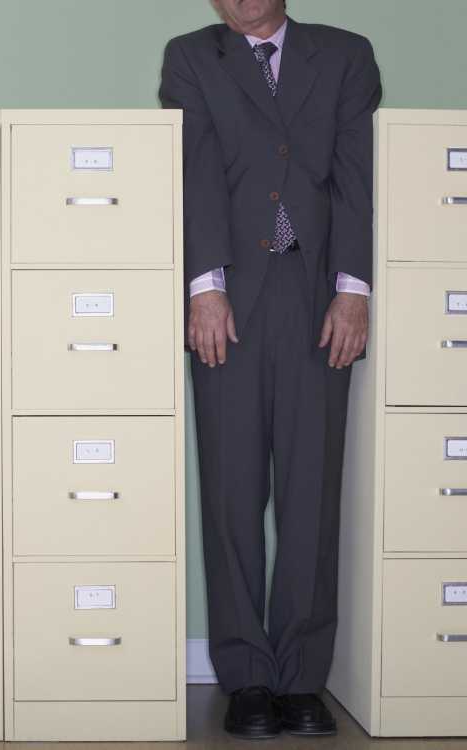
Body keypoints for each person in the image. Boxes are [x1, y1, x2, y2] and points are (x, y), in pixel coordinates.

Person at [159, 0, 381, 740]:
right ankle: (248, 677)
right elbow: (191, 174)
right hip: (228, 300)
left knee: (312, 493)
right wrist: (204, 288)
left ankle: (303, 678)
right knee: (230, 493)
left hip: (317, 296)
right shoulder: (191, 57)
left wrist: (353, 293)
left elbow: (356, 177)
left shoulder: (345, 55)